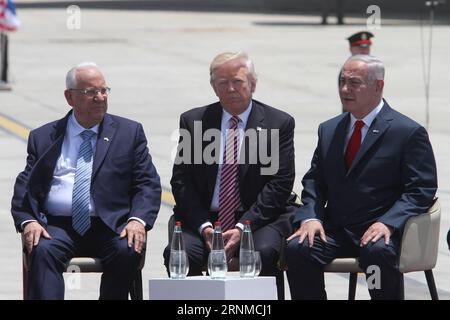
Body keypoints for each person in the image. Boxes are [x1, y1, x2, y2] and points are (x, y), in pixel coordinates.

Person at [286, 55, 437, 300]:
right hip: (337, 230)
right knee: (298, 249)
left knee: (377, 255)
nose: (345, 89)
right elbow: (314, 181)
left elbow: (421, 189)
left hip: (380, 231)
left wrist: (389, 222)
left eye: (354, 83)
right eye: (342, 82)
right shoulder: (329, 129)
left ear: (378, 86)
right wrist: (310, 217)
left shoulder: (406, 132)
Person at [11, 63, 162, 300]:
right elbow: (25, 186)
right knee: (42, 250)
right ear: (69, 97)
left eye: (104, 90)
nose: (100, 97)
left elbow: (148, 183)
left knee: (127, 250)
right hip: (58, 226)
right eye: (91, 92)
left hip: (110, 224)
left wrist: (137, 220)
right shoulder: (44, 137)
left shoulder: (128, 132)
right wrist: (29, 221)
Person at [165, 52, 296, 299]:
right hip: (206, 218)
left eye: (238, 81)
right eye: (222, 83)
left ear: (253, 84)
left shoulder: (278, 123)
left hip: (257, 219)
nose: (231, 88)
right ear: (214, 87)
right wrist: (204, 227)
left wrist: (241, 228)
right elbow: (181, 181)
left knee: (263, 252)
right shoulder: (195, 121)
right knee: (182, 254)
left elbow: (279, 184)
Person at [341, 31, 374, 113]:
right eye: (360, 47)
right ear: (351, 49)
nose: (364, 50)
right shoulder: (347, 70)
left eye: (367, 47)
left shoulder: (372, 67)